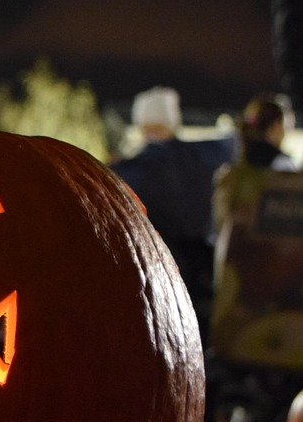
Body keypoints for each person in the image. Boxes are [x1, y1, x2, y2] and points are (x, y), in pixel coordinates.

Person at [111, 86, 236, 343]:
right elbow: (236, 142)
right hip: (203, 273)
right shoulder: (205, 156)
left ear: (142, 125)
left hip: (154, 280)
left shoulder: (127, 172)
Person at [212, 94, 297, 232]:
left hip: (232, 247)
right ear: (276, 126)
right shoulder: (283, 165)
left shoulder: (230, 163)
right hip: (270, 248)